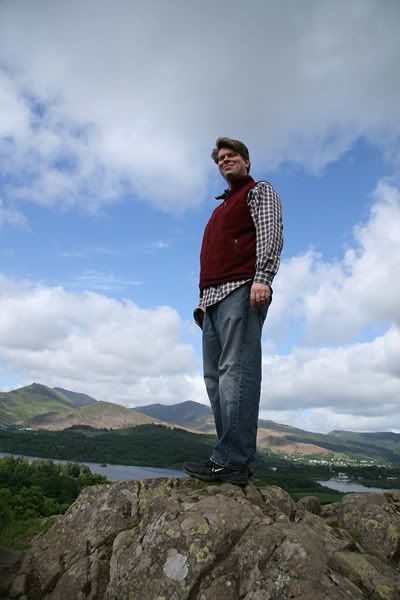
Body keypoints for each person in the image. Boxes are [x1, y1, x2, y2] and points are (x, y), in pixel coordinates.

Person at [183, 137, 283, 486]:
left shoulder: (259, 191)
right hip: (210, 302)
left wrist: (263, 279)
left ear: (246, 161)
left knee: (236, 374)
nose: (225, 161)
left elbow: (270, 233)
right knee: (215, 380)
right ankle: (226, 458)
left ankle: (233, 461)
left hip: (242, 290)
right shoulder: (219, 210)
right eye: (220, 159)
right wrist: (201, 305)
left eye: (232, 156)